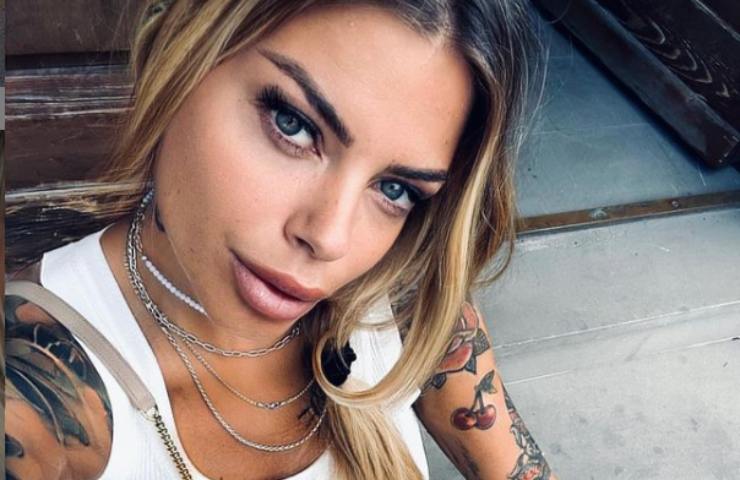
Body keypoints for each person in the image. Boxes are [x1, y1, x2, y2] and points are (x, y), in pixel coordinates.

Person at [4, 1, 558, 479]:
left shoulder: (406, 294)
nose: (329, 238)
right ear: (180, 51)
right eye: (293, 125)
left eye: (396, 189)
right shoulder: (35, 393)